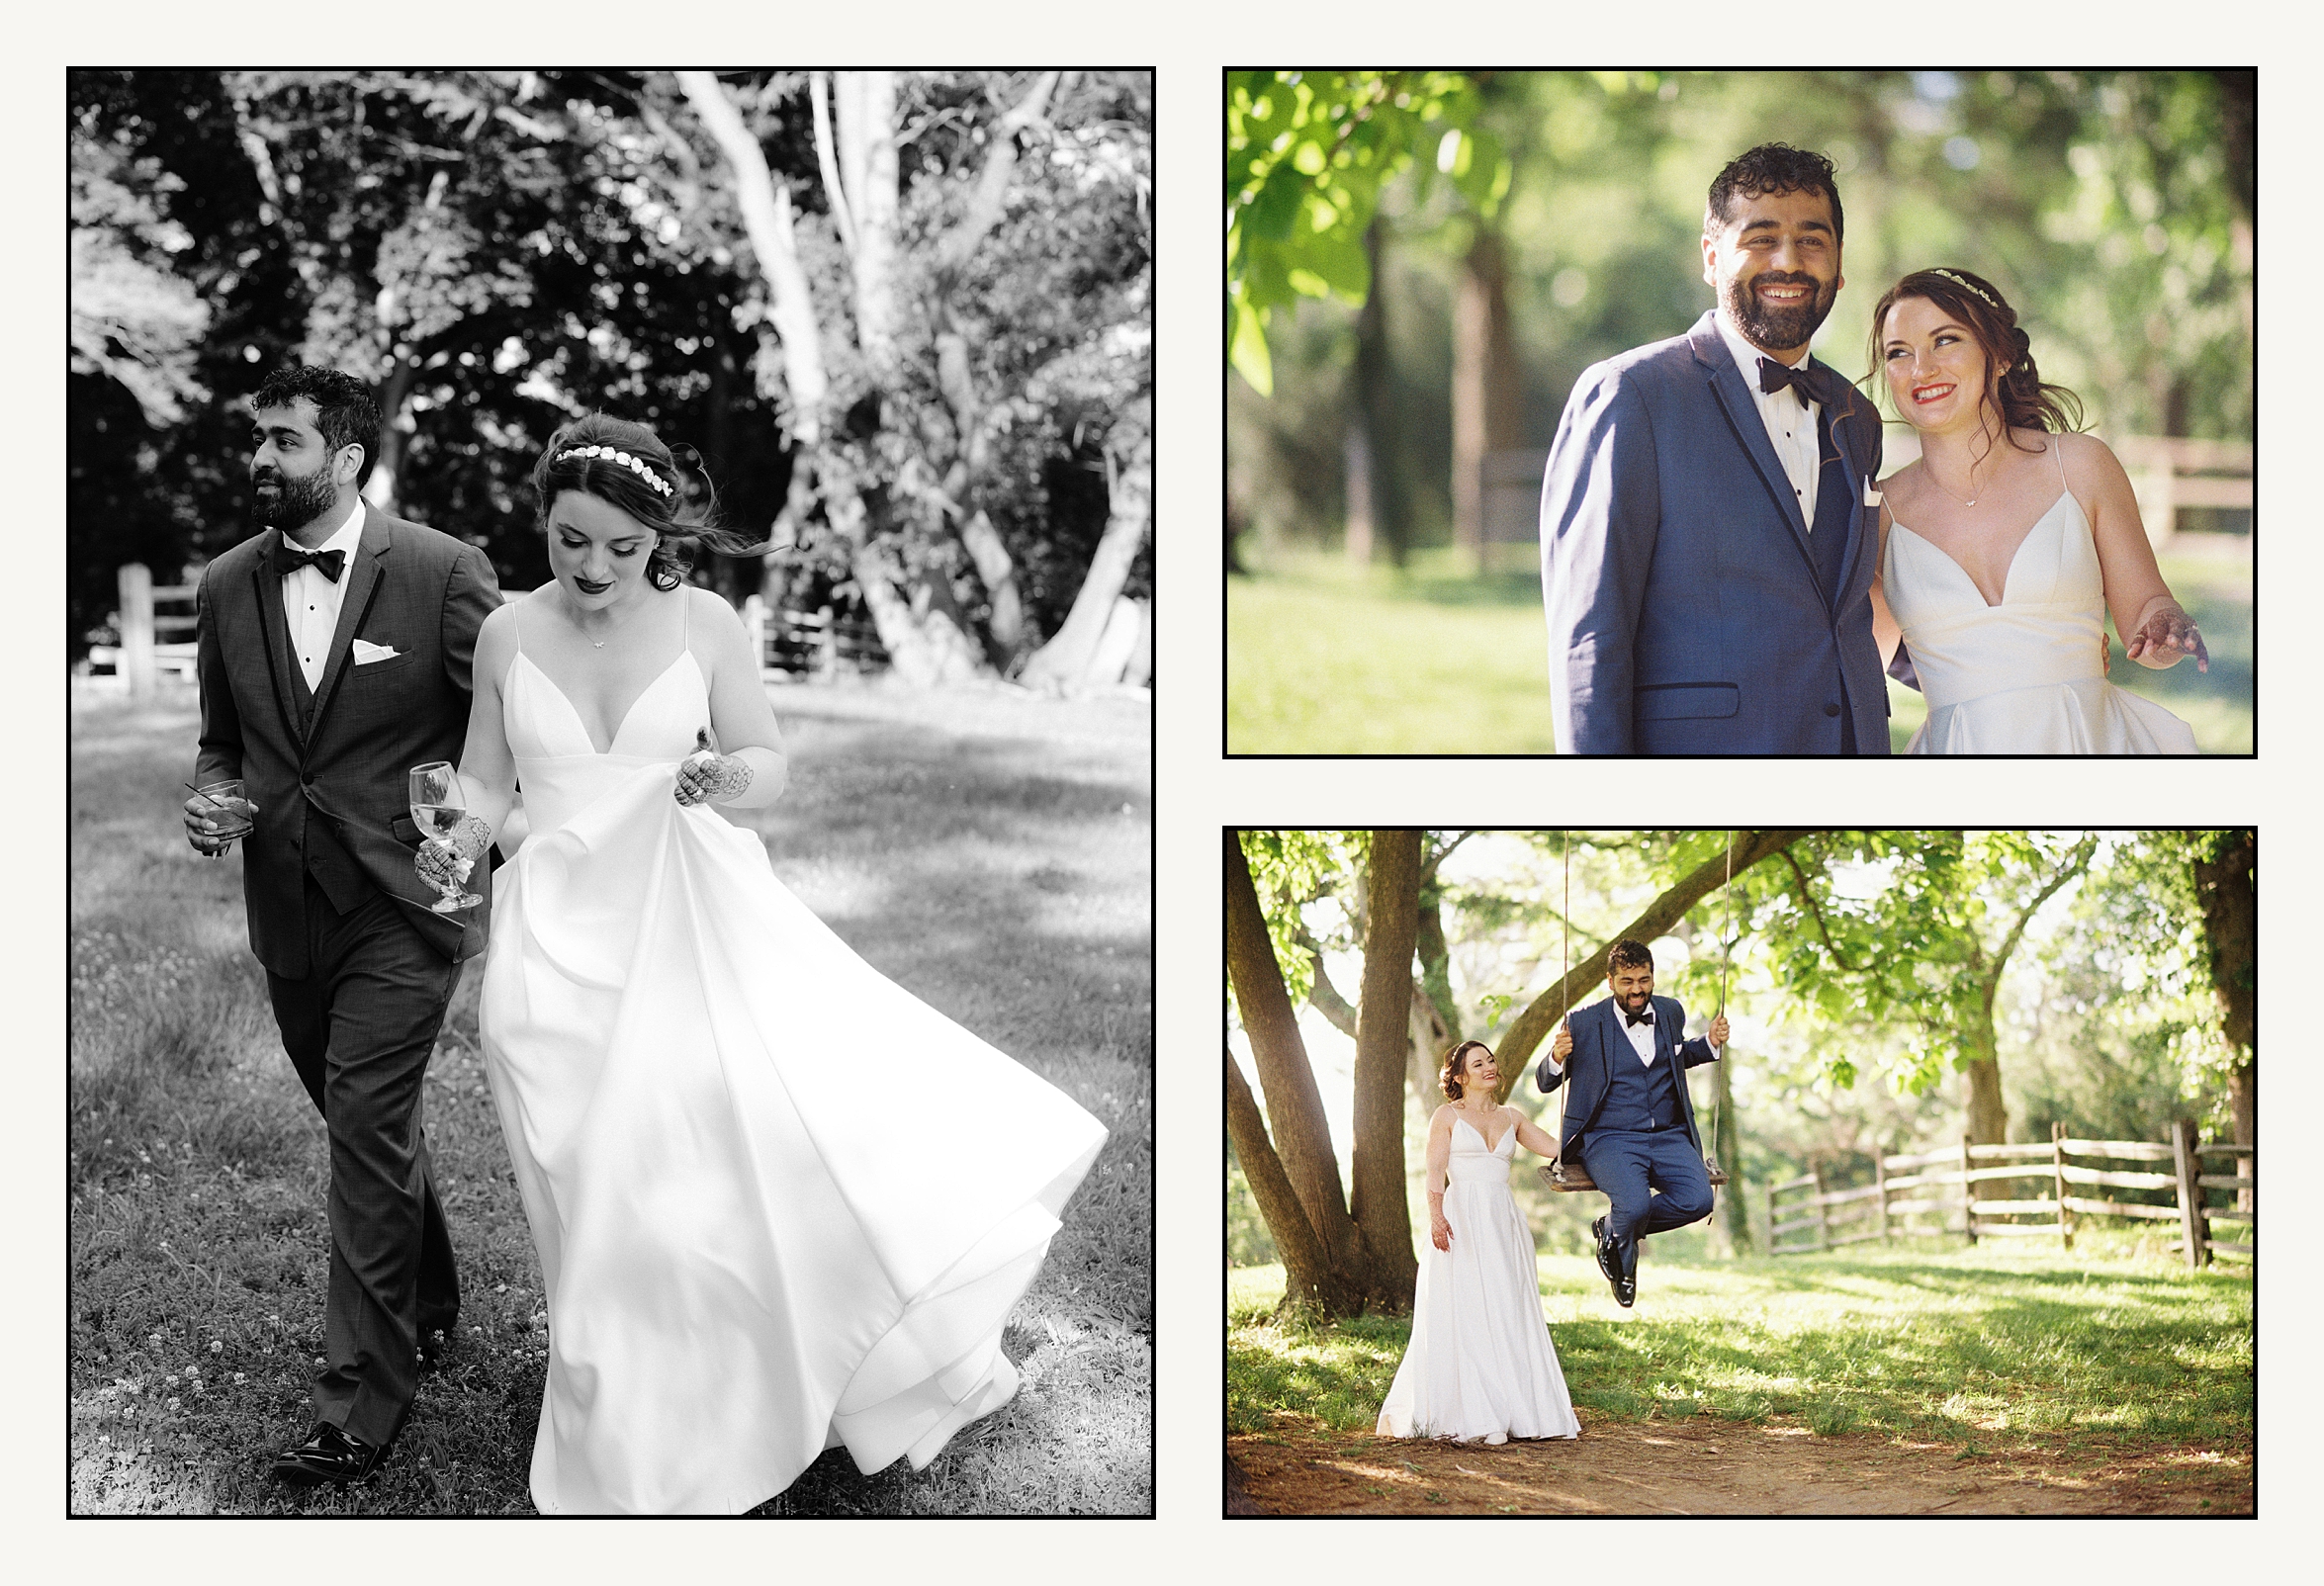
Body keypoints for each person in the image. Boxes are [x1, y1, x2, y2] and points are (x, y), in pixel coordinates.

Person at [418, 413, 1108, 1514]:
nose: (591, 567)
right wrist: (454, 829)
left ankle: (733, 1388)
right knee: (589, 1189)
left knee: (700, 1174)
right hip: (551, 944)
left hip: (684, 923)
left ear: (656, 533)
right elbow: (486, 781)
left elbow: (768, 763)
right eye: (567, 540)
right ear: (541, 523)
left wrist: (720, 781)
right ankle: (625, 1400)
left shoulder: (707, 624)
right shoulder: (506, 632)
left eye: (616, 545)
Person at [184, 364, 501, 1485]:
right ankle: (431, 1298)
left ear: (349, 460)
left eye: (283, 439)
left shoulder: (442, 570)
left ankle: (359, 1399)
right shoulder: (226, 582)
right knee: (361, 1118)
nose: (260, 458)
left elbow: (506, 728)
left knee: (365, 1119)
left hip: (409, 899)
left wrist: (476, 835)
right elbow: (224, 739)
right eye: (256, 437)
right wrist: (213, 793)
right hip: (287, 904)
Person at [1541, 143, 1890, 753]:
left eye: (1813, 240)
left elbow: (1850, 610)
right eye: (1760, 238)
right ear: (1711, 257)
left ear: (1839, 264)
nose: (1789, 261)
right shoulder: (1631, 395)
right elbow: (1589, 635)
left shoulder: (1857, 415)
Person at [1867, 267, 2206, 752]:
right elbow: (1856, 663)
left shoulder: (2081, 467)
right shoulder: (1879, 513)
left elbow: (2148, 609)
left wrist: (2166, 625)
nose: (1921, 368)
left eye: (1945, 341)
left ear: (2000, 355)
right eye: (1899, 353)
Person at [1377, 1042, 1578, 1445]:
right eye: (1478, 1063)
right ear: (1459, 1077)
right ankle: (1478, 1414)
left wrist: (1583, 1105)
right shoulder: (1446, 1115)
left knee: (1507, 1307)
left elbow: (1558, 1149)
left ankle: (1518, 1409)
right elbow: (1435, 1170)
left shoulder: (1512, 1117)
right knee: (1466, 1307)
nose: (1489, 1067)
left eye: (1491, 1060)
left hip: (1502, 1220)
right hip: (1461, 1218)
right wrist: (1436, 1216)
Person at [1538, 941, 1726, 1307]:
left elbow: (1676, 1056)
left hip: (1668, 1134)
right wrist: (1556, 1056)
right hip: (1610, 1138)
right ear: (1610, 981)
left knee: (1699, 1200)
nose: (1637, 989)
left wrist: (1709, 1043)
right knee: (1635, 1206)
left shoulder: (1671, 1011)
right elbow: (1545, 1082)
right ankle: (1623, 1250)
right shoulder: (1584, 1022)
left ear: (1653, 977)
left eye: (1644, 979)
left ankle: (1612, 1228)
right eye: (1627, 981)